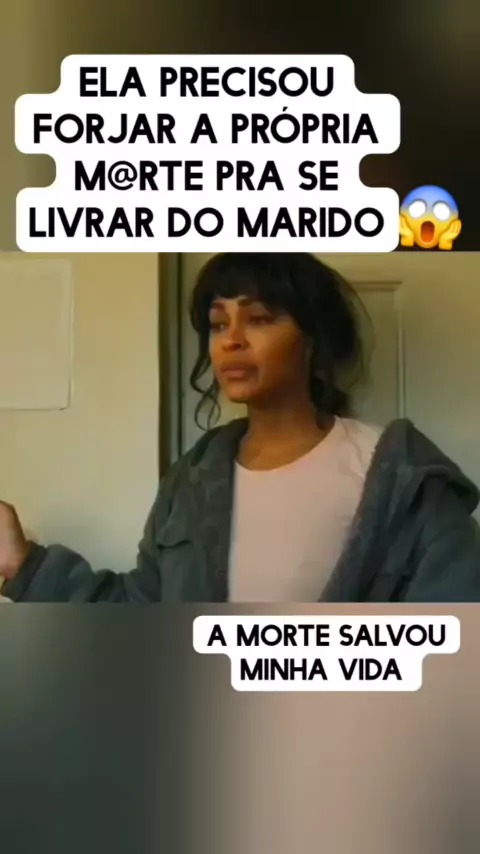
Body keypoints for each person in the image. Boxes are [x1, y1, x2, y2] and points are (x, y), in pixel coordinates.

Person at [0, 252, 479, 603]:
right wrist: (24, 564)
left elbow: (454, 644)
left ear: (312, 340)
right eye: (217, 324)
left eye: (259, 319)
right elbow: (141, 623)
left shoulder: (402, 478)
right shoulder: (191, 482)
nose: (231, 341)